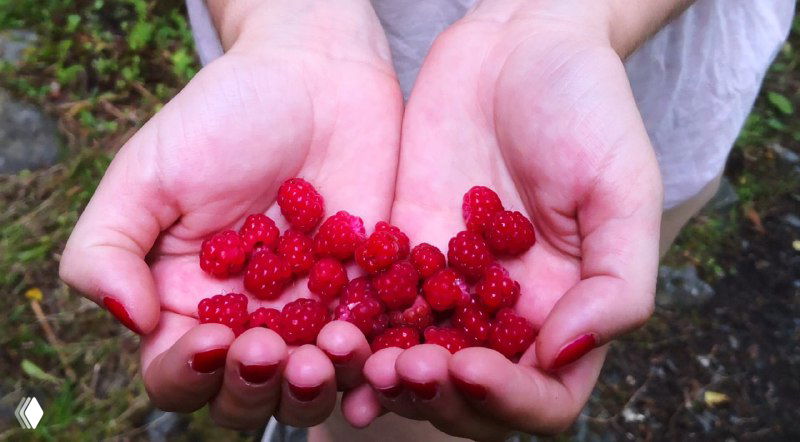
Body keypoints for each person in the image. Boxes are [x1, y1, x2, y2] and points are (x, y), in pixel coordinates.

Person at [59, 0, 795, 440]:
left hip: (605, 81)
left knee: (554, 296)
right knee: (373, 397)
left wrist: (577, 16)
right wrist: (288, 19)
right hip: (316, 54)